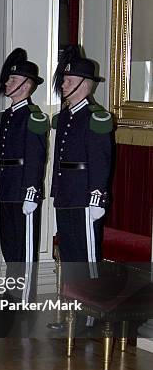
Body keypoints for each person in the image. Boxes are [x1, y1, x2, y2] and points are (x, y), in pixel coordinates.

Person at [0, 48, 48, 301]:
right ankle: (12, 290)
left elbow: (36, 159)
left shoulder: (33, 116)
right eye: (8, 79)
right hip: (6, 187)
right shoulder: (9, 116)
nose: (7, 83)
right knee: (9, 243)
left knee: (25, 248)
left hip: (23, 189)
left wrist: (31, 192)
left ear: (26, 85)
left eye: (13, 80)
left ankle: (24, 297)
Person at [51, 45, 113, 266]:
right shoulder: (66, 117)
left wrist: (97, 199)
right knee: (69, 254)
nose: (63, 84)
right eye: (64, 79)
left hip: (85, 196)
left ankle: (89, 300)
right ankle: (72, 299)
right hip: (66, 194)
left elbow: (100, 161)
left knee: (86, 257)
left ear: (84, 84)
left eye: (69, 80)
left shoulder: (96, 117)